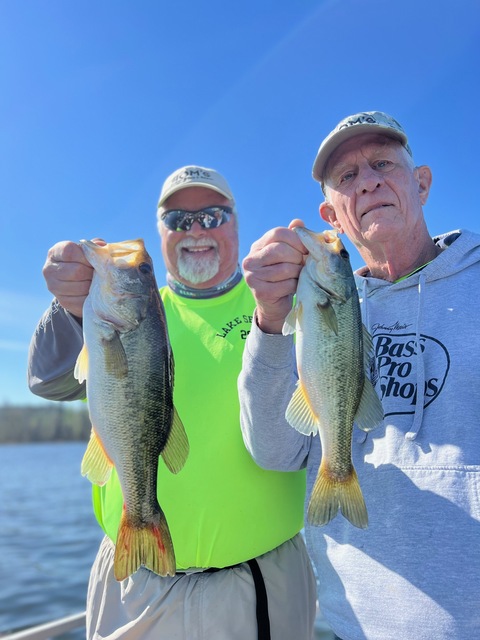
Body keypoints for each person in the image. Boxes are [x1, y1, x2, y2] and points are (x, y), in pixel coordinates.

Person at [27, 165, 317, 640]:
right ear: (161, 233)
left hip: (262, 583)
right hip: (133, 582)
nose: (196, 229)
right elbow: (50, 382)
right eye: (178, 220)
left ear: (237, 224)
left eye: (212, 214)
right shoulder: (125, 310)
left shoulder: (283, 304)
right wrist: (69, 308)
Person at [238, 112, 480, 639]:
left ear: (421, 183)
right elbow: (276, 451)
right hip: (357, 626)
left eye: (382, 163)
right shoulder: (302, 313)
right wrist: (270, 322)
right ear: (332, 215)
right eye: (347, 177)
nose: (367, 180)